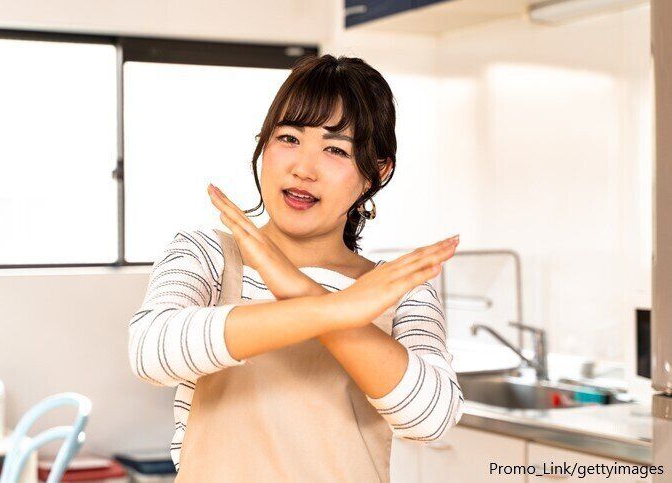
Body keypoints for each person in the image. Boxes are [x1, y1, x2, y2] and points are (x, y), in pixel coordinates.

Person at [128, 54, 464, 482]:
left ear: (376, 172)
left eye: (335, 149)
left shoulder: (396, 291)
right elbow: (150, 352)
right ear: (263, 146)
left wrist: (301, 290)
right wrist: (335, 310)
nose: (303, 169)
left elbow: (431, 419)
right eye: (289, 138)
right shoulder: (208, 255)